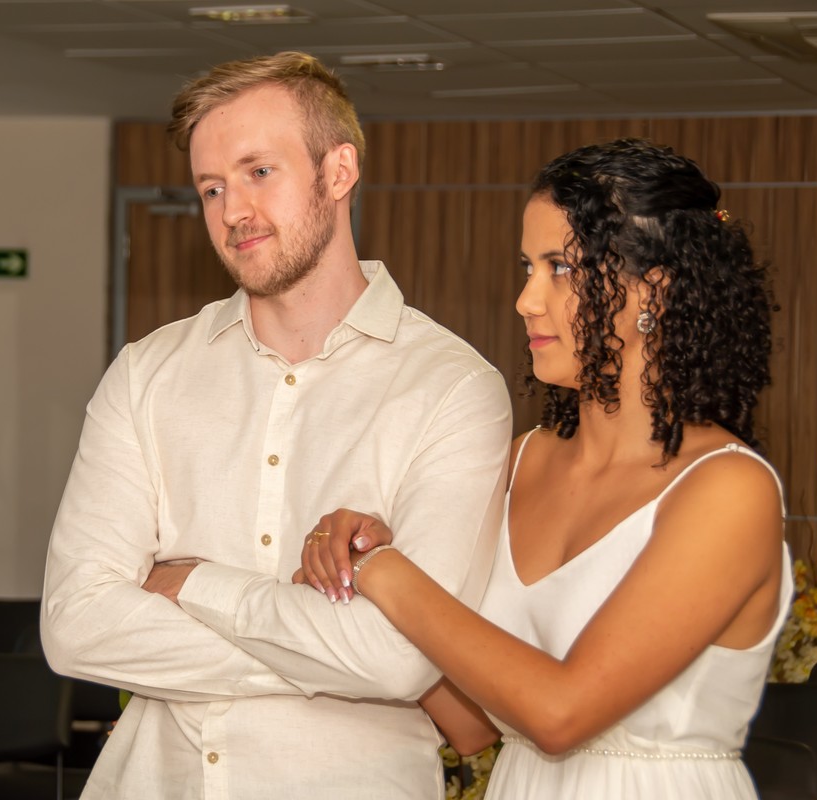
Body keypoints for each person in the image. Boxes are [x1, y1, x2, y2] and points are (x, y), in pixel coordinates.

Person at [39, 51, 512, 799]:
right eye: (211, 188)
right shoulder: (146, 373)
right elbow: (75, 627)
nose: (233, 211)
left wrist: (195, 583)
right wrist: (337, 656)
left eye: (259, 172)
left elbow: (402, 661)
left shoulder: (452, 388)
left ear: (338, 171)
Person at [300, 138, 791, 798]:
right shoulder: (518, 462)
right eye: (528, 267)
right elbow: (472, 726)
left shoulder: (730, 489)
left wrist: (386, 572)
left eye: (560, 267)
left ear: (654, 288)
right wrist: (353, 570)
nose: (526, 299)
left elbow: (560, 714)